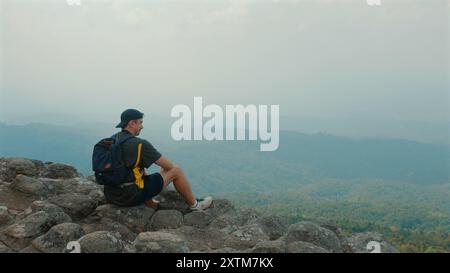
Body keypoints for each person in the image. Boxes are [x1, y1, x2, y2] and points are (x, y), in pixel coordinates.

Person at [103, 108, 213, 211]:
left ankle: (149, 201)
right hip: (129, 196)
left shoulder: (112, 139)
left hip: (111, 194)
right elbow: (169, 165)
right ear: (132, 123)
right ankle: (195, 205)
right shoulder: (140, 144)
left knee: (144, 174)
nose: (142, 126)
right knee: (176, 170)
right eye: (140, 122)